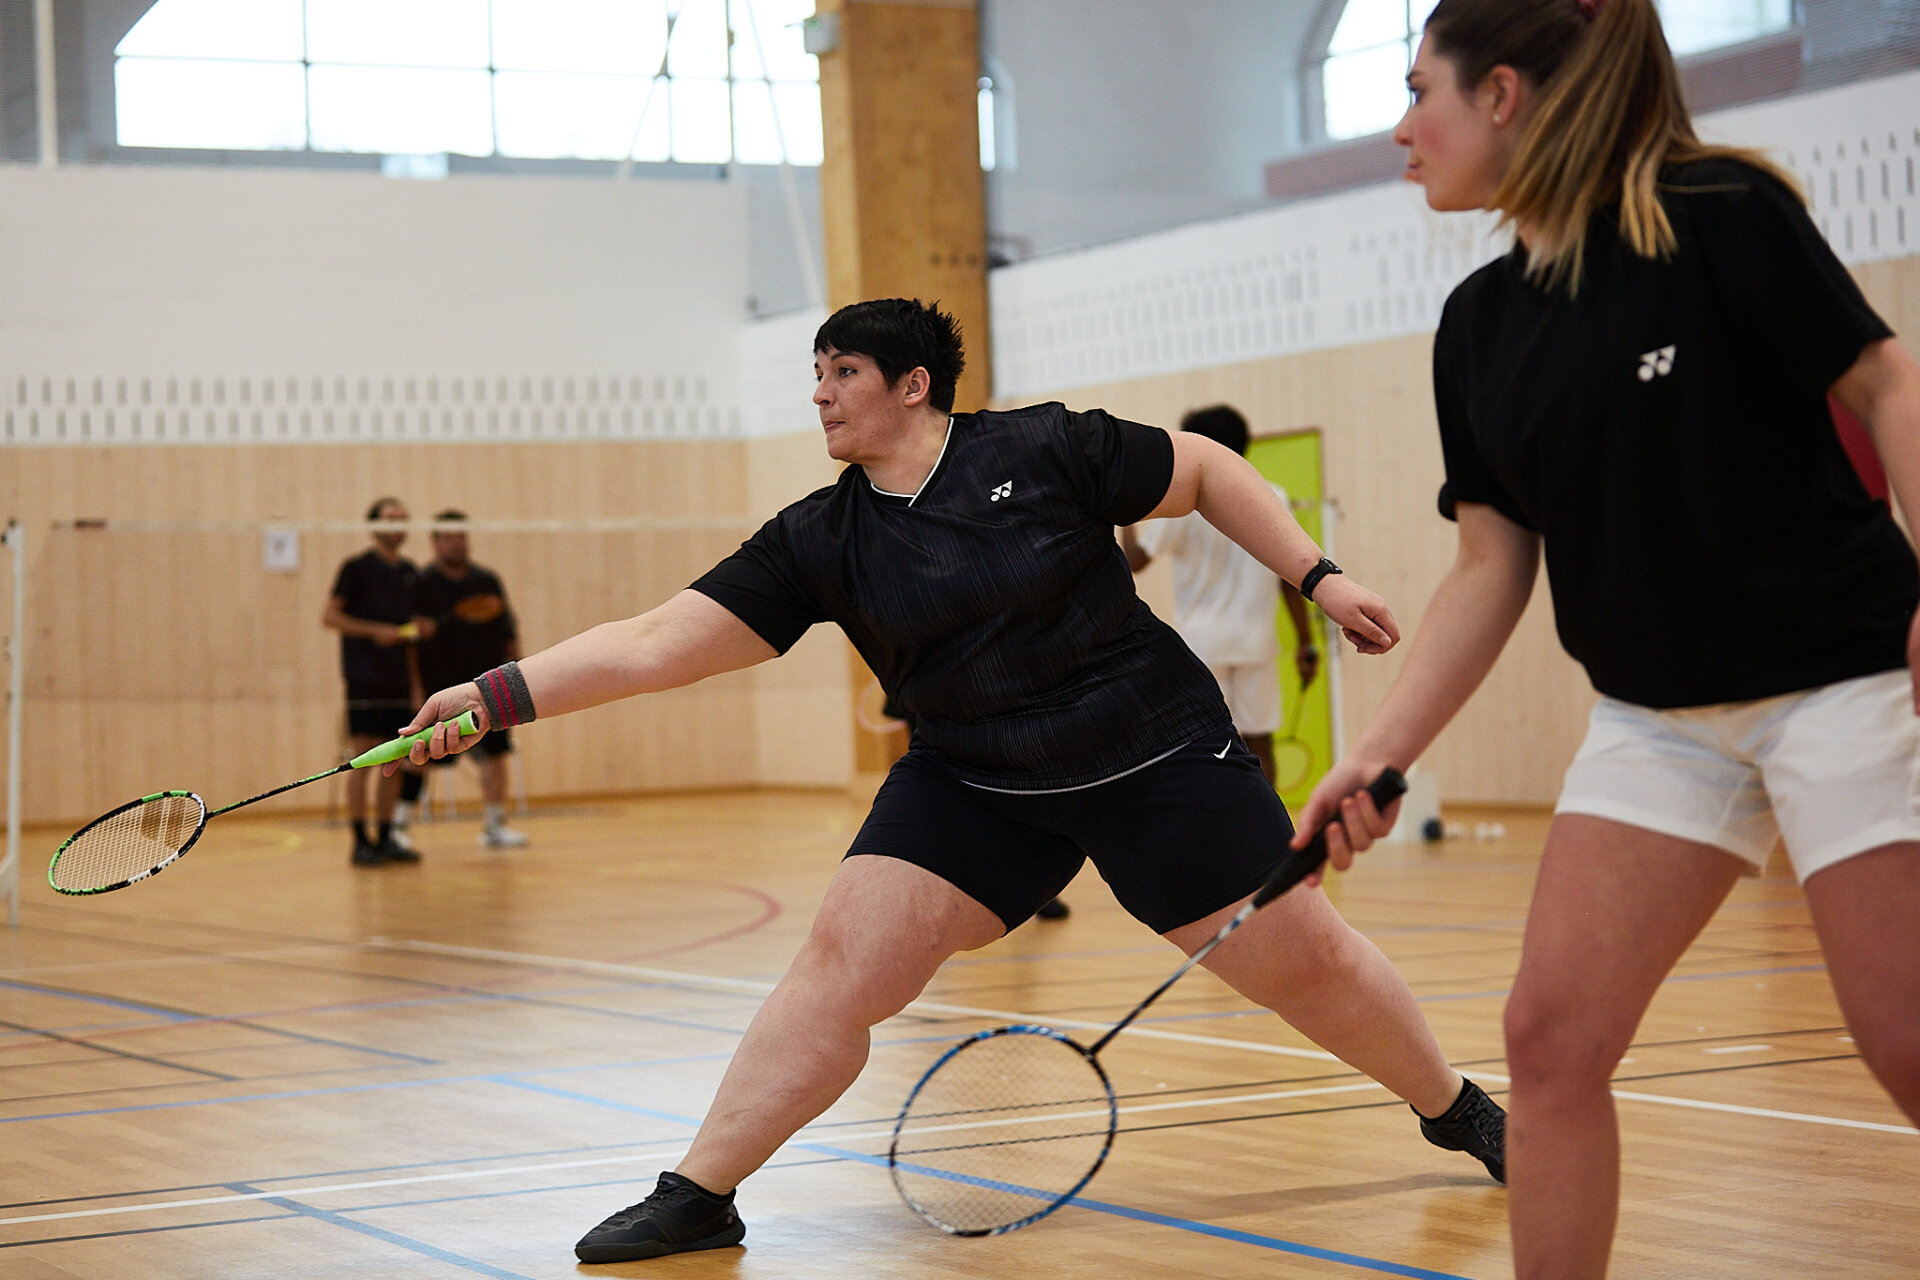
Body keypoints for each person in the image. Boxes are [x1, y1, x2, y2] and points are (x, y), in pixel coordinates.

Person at [396, 298, 1507, 1264]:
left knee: (1304, 961)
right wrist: (495, 695)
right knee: (843, 958)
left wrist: (1317, 575)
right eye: (816, 373)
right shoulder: (819, 538)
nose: (820, 395)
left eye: (844, 371)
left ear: (913, 384)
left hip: (1152, 753)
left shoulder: (1048, 445)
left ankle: (1454, 1107)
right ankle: (700, 1191)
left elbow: (1206, 468)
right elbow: (653, 641)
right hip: (974, 777)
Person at [1294, 3, 1920, 1277]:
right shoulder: (1478, 324)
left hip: (1841, 680)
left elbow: (1889, 383)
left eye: (1418, 93)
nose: (1401, 130)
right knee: (1551, 1040)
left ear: (1503, 94)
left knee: (1907, 1041)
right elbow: (1491, 564)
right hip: (1655, 721)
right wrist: (1380, 752)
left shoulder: (1720, 214)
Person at [1120, 404, 1321, 784]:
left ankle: (1219, 821)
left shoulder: (1181, 504)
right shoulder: (1274, 496)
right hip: (1256, 643)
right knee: (1261, 744)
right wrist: (1305, 641)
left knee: (1209, 746)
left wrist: (1124, 514)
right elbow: (1291, 577)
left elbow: (1133, 561)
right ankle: (1267, 823)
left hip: (1203, 646)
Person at [322, 497, 432, 866]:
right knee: (363, 760)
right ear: (374, 525)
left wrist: (416, 685)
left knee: (395, 760)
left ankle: (386, 838)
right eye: (389, 519)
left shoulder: (410, 573)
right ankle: (360, 841)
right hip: (364, 680)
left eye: (402, 519)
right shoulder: (355, 568)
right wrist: (375, 632)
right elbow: (330, 617)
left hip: (399, 683)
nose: (396, 525)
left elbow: (410, 634)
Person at [415, 509, 529, 849]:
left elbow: (508, 630)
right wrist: (415, 688)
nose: (456, 543)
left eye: (461, 535)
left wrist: (518, 672)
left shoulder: (486, 580)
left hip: (488, 685)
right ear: (435, 541)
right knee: (418, 755)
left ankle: (494, 826)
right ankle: (400, 826)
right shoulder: (421, 584)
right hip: (437, 688)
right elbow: (408, 641)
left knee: (495, 756)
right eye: (448, 537)